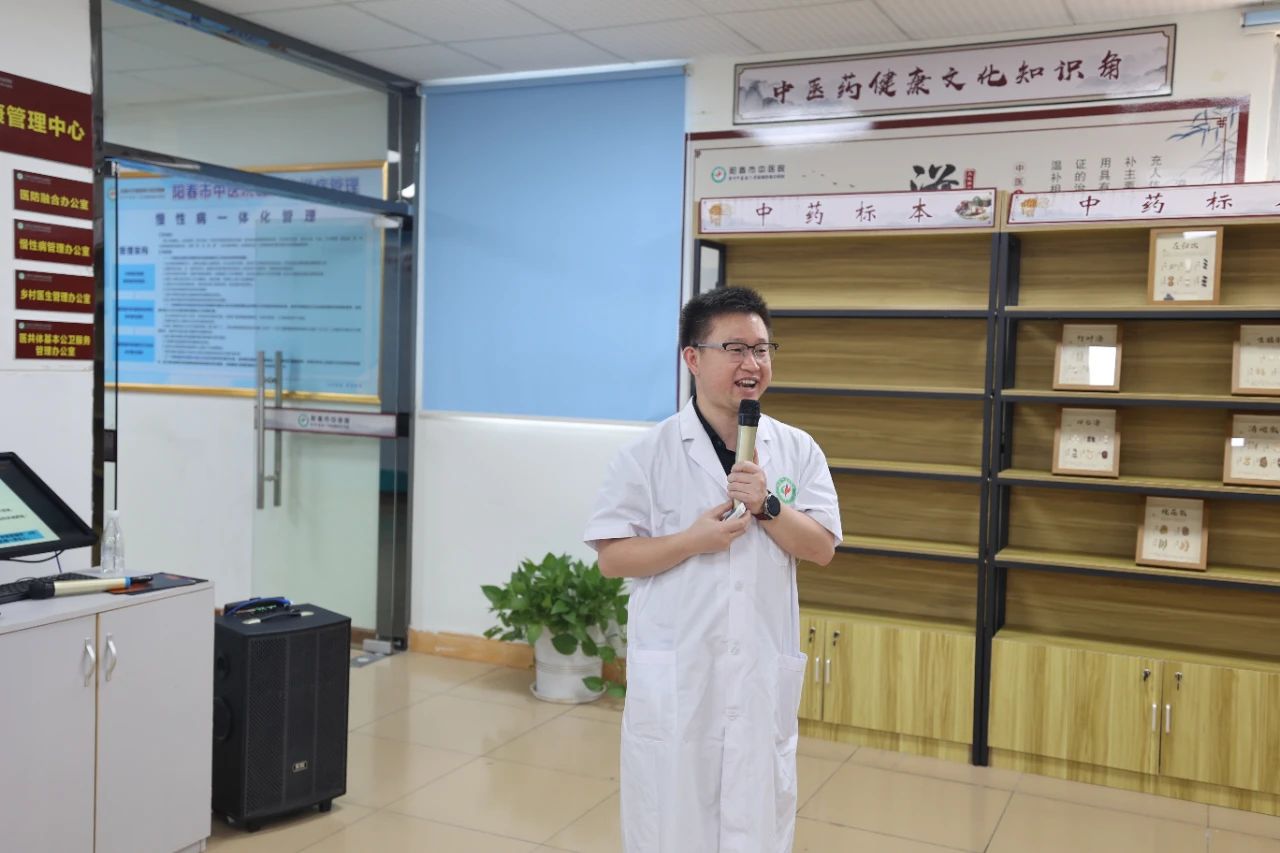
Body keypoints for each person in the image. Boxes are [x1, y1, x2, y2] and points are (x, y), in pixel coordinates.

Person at [583, 286, 842, 853]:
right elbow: (611, 558)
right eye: (735, 349)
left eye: (762, 349)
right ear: (692, 358)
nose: (753, 364)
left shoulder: (797, 449)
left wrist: (768, 506)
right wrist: (691, 541)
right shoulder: (646, 454)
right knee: (673, 823)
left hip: (758, 675)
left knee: (755, 823)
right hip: (681, 677)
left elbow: (822, 547)